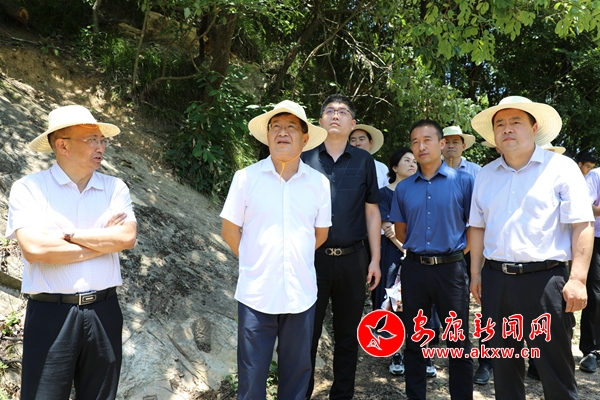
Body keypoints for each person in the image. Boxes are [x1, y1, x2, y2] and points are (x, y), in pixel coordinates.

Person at [5, 105, 137, 399]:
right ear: (62, 145)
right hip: (50, 312)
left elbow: (126, 237)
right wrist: (103, 242)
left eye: (102, 140)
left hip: (104, 311)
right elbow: (35, 249)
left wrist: (69, 236)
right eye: (91, 140)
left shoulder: (115, 188)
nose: (100, 147)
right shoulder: (30, 188)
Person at [469, 95, 594, 400]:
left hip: (546, 280)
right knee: (504, 367)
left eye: (515, 122)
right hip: (496, 279)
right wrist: (476, 274)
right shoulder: (485, 174)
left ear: (534, 127)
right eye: (500, 124)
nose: (507, 128)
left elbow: (582, 224)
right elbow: (477, 227)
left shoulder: (561, 168)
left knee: (555, 368)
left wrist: (578, 279)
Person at [220, 100, 331, 399]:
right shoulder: (246, 178)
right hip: (256, 294)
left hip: (301, 294)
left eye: (291, 127)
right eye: (276, 127)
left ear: (305, 138)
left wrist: (293, 257)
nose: (283, 132)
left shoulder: (319, 184)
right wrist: (257, 260)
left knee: (296, 376)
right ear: (267, 135)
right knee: (251, 377)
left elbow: (320, 234)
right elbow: (229, 231)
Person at [301, 93, 381, 399]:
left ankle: (342, 395)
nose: (336, 115)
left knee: (348, 336)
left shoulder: (364, 161)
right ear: (320, 120)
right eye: (330, 110)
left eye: (343, 111)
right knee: (306, 333)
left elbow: (372, 211)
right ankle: (300, 393)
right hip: (312, 259)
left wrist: (375, 259)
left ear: (353, 123)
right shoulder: (305, 158)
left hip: (353, 259)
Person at [389, 119, 474, 400]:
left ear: (441, 143)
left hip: (451, 271)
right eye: (415, 142)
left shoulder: (463, 181)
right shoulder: (404, 189)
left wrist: (454, 255)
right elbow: (402, 232)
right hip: (414, 269)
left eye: (427, 140)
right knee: (415, 339)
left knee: (457, 340)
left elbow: (474, 228)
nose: (420, 146)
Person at [377, 148, 417, 376]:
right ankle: (395, 351)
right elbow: (388, 229)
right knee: (392, 301)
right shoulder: (384, 193)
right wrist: (407, 250)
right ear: (394, 167)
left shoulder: (422, 190)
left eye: (414, 161)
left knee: (418, 300)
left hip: (419, 253)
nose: (412, 164)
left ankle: (421, 351)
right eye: (406, 160)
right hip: (394, 254)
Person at [579, 166, 600, 373]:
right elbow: (585, 208)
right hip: (596, 240)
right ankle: (591, 350)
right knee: (595, 295)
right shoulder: (596, 175)